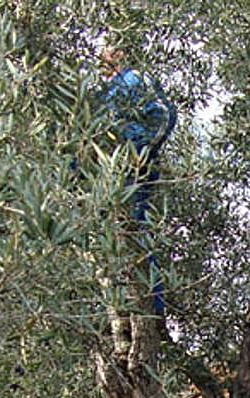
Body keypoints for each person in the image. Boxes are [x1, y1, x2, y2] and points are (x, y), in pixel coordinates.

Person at [99, 49, 177, 315]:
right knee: (112, 236)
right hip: (110, 174)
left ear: (120, 54)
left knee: (136, 228)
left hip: (134, 167)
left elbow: (165, 115)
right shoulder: (103, 93)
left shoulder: (134, 80)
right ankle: (120, 314)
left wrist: (139, 151)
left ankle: (152, 310)